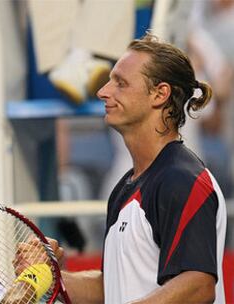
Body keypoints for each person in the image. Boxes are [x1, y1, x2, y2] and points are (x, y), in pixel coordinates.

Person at [47, 34, 227, 303]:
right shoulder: (125, 187)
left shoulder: (183, 179)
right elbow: (111, 288)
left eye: (120, 83)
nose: (103, 91)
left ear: (160, 94)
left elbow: (197, 285)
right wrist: (54, 278)